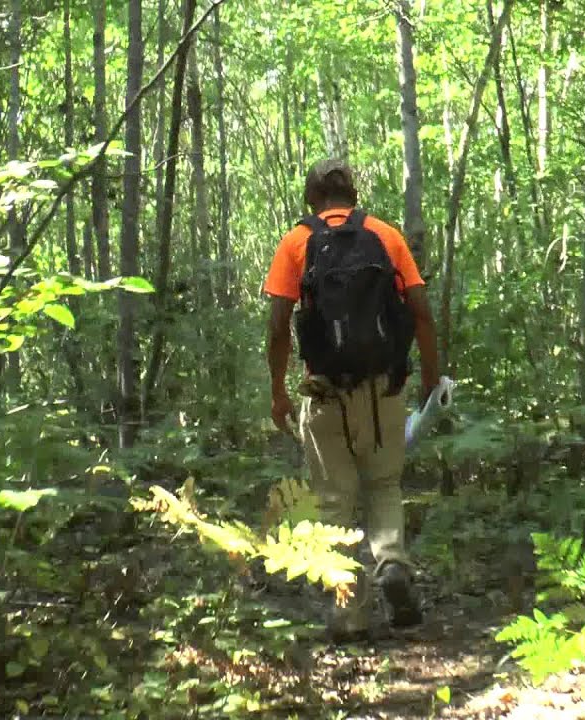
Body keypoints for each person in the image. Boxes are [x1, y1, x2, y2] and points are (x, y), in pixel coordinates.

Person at [262, 158, 440, 641]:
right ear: (352, 194)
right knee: (383, 484)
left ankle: (349, 615)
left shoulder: (295, 242)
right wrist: (430, 375)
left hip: (323, 394)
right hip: (384, 389)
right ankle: (393, 563)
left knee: (334, 502)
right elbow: (420, 312)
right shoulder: (385, 235)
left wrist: (278, 391)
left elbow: (279, 326)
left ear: (311, 196)